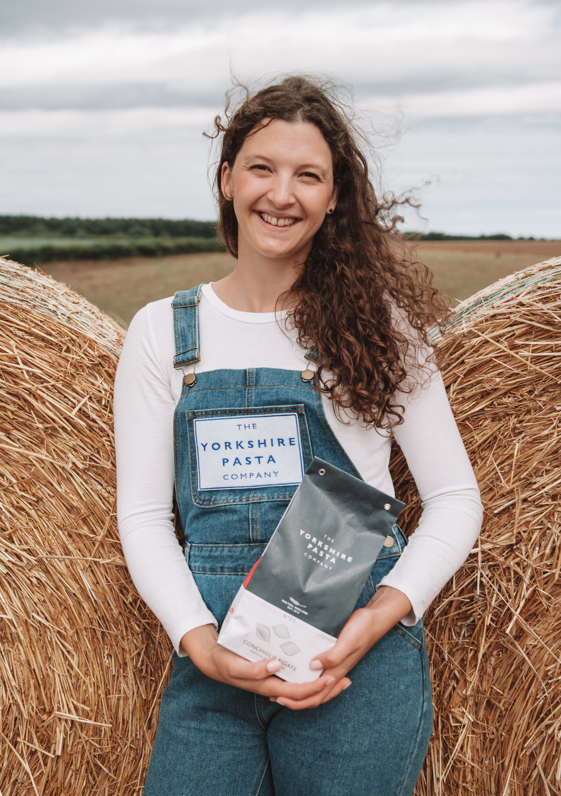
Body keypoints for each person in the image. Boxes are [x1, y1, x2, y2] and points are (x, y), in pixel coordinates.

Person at [114, 75, 482, 796]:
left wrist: (375, 621)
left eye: (307, 175)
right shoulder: (163, 331)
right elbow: (144, 516)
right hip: (213, 662)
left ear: (334, 195)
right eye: (261, 168)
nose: (281, 194)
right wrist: (199, 642)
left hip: (353, 664)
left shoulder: (377, 329)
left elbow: (454, 497)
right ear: (226, 179)